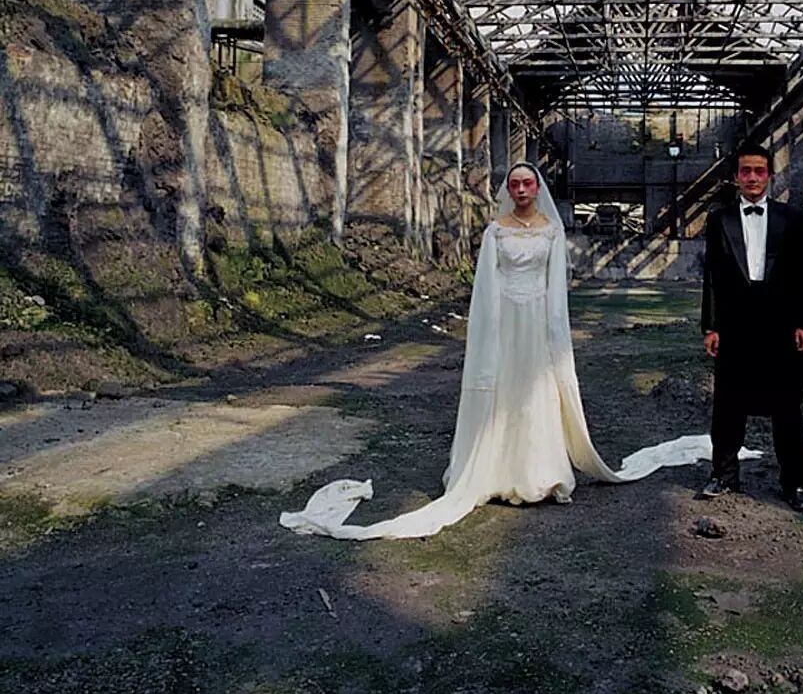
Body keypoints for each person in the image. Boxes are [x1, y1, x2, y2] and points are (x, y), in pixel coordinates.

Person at [279, 163, 728, 540]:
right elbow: (485, 287)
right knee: (504, 390)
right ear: (508, 191)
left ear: (537, 187)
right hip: (505, 321)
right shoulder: (495, 232)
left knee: (537, 392)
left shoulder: (551, 232)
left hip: (539, 321)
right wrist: (486, 331)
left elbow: (557, 287)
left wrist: (556, 332)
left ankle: (541, 473)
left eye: (527, 183)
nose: (521, 189)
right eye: (514, 184)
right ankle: (494, 471)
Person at [698, 141, 803, 511]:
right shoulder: (719, 220)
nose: (752, 177)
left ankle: (795, 485)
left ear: (769, 176)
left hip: (781, 323)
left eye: (759, 171)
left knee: (787, 407)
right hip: (735, 324)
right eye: (746, 171)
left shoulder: (793, 218)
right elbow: (712, 277)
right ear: (736, 177)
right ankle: (723, 475)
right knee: (728, 404)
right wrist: (711, 327)